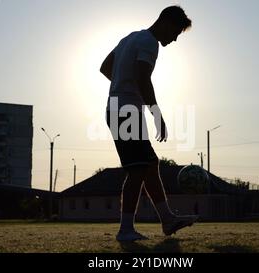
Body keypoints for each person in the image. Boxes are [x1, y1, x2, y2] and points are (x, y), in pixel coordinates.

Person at [100, 5, 198, 242]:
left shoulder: (131, 38)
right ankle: (125, 230)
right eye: (175, 33)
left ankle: (167, 220)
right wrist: (156, 114)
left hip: (121, 109)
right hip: (126, 111)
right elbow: (143, 78)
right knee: (137, 170)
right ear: (166, 22)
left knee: (150, 165)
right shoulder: (149, 43)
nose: (174, 39)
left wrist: (123, 80)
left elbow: (105, 68)